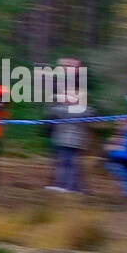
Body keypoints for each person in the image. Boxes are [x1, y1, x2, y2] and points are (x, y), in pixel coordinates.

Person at [46, 57, 91, 193]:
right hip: (64, 136)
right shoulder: (64, 84)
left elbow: (67, 111)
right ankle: (65, 184)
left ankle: (71, 186)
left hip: (72, 138)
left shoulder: (80, 101)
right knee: (64, 161)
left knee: (70, 163)